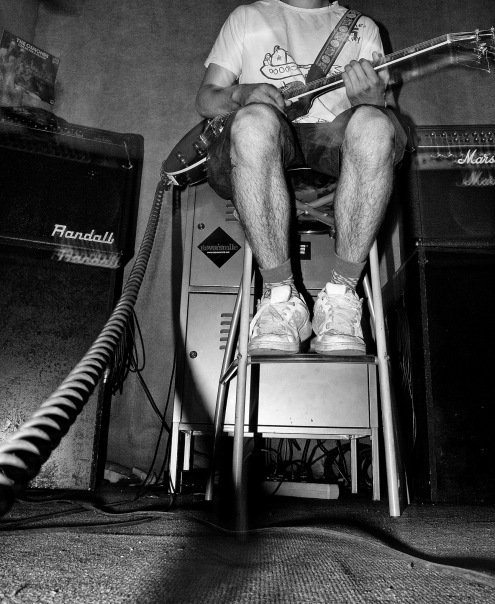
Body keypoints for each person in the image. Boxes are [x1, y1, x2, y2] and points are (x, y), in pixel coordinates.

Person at [195, 0, 407, 356]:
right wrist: (241, 94)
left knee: (374, 124)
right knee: (252, 122)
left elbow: (385, 115)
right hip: (266, 139)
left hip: (336, 144)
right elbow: (205, 99)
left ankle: (341, 297)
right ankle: (280, 298)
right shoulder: (247, 17)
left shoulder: (362, 27)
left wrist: (375, 102)